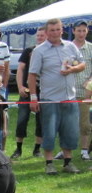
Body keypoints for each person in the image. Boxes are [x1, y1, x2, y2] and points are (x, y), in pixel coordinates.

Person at [28, 18, 86, 175]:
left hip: (69, 98)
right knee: (49, 132)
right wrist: (33, 97)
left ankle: (68, 163)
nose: (55, 33)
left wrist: (72, 69)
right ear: (46, 32)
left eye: (57, 29)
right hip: (50, 99)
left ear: (62, 30)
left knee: (70, 132)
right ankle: (49, 163)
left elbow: (82, 64)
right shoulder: (39, 51)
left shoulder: (70, 46)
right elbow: (32, 75)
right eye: (51, 30)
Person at [11, 27, 46, 160]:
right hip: (26, 91)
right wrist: (20, 86)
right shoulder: (28, 51)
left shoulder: (49, 52)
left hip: (43, 92)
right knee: (21, 120)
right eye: (38, 36)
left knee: (41, 121)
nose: (39, 38)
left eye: (42, 35)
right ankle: (18, 149)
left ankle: (37, 149)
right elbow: (20, 69)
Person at [70, 20, 92, 161]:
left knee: (84, 123)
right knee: (68, 123)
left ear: (87, 31)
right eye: (79, 30)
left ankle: (84, 150)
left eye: (84, 30)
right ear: (73, 31)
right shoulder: (67, 47)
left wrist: (90, 81)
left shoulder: (91, 48)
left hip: (85, 92)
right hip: (68, 91)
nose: (81, 33)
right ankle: (66, 150)